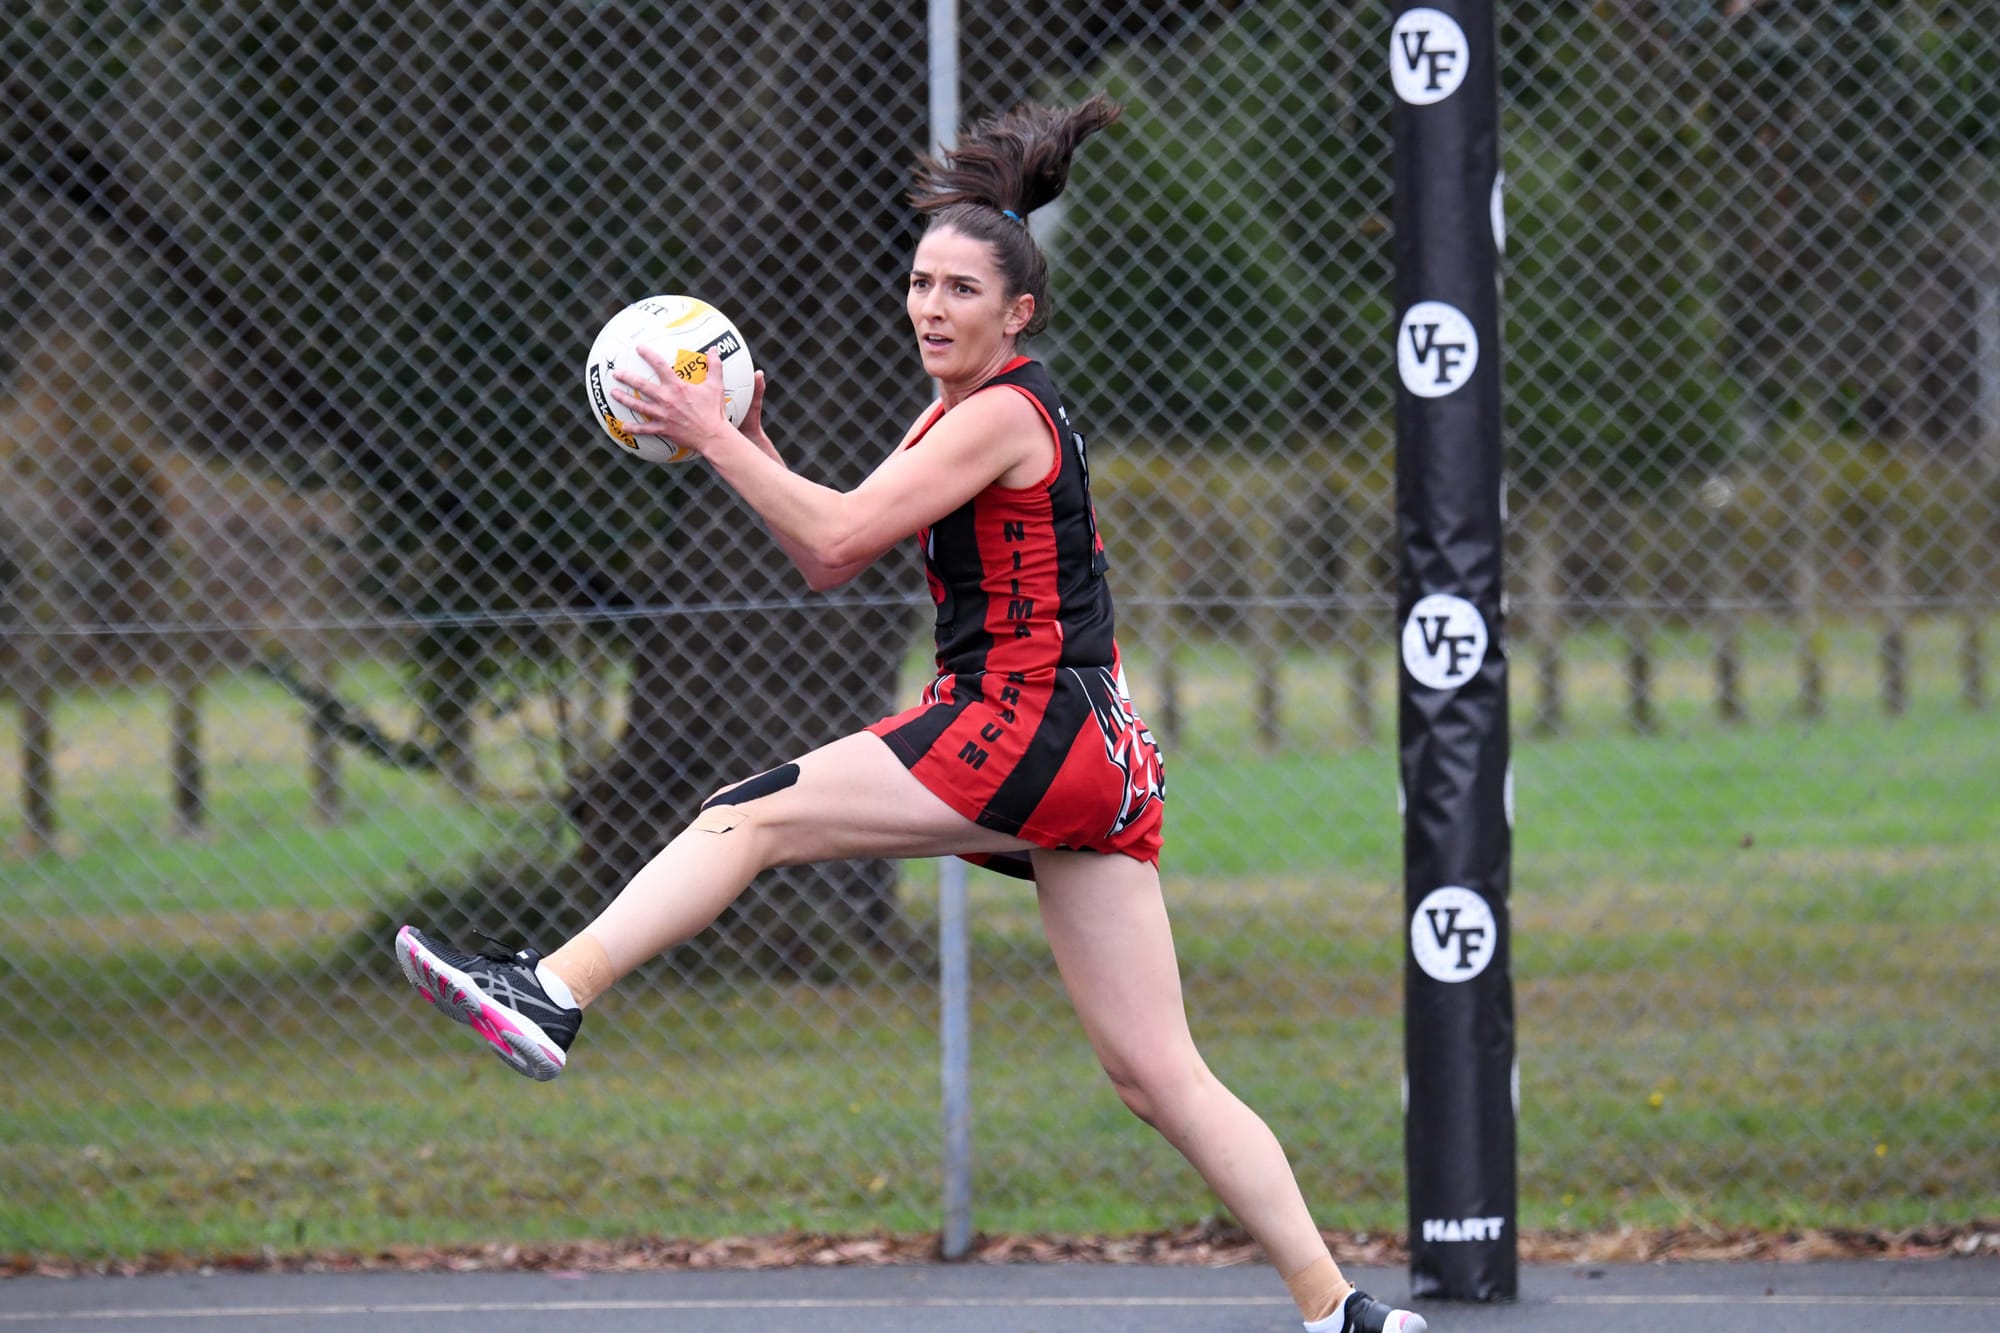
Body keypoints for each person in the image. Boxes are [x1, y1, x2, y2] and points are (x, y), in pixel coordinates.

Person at [393, 96, 1426, 1333]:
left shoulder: (1000, 413)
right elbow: (832, 552)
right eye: (921, 281)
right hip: (1089, 750)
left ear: (1017, 314)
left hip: (1025, 722)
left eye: (960, 291)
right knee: (1156, 1074)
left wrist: (715, 437)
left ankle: (553, 989)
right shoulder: (953, 412)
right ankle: (1340, 1307)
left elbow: (833, 531)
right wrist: (754, 444)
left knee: (748, 814)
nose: (930, 305)